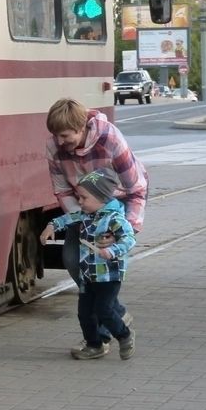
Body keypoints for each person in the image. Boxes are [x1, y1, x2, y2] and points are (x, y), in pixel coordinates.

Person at [41, 98, 147, 350]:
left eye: (65, 135)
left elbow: (136, 188)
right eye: (56, 136)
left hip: (114, 211)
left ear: (81, 128)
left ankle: (100, 333)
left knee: (99, 269)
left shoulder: (110, 139)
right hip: (84, 209)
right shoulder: (54, 147)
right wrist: (82, 221)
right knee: (72, 260)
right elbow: (62, 190)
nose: (60, 142)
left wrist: (124, 229)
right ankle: (112, 315)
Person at [41, 168, 136, 360]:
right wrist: (51, 226)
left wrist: (111, 251)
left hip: (108, 276)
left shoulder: (115, 219)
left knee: (104, 309)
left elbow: (129, 240)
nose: (80, 202)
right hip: (87, 275)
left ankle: (124, 335)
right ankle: (94, 345)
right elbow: (67, 219)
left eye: (84, 198)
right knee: (84, 313)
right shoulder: (86, 215)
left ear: (101, 198)